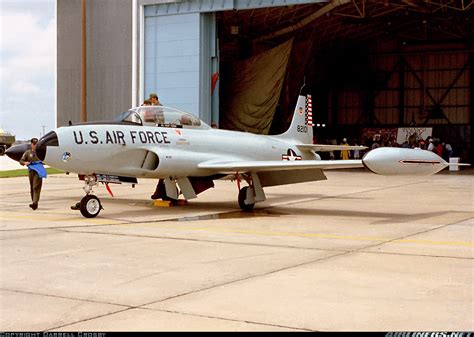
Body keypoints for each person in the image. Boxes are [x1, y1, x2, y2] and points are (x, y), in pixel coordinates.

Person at [20, 138, 47, 210]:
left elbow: (46, 160)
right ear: (31, 144)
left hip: (38, 171)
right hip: (31, 171)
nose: (35, 145)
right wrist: (25, 163)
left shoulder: (41, 153)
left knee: (36, 187)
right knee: (32, 187)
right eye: (34, 144)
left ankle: (35, 203)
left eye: (36, 144)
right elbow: (21, 161)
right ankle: (34, 203)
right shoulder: (28, 153)